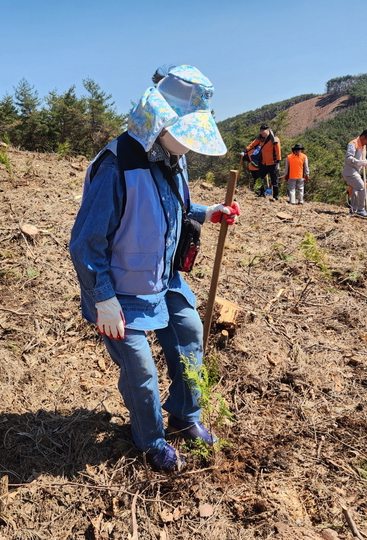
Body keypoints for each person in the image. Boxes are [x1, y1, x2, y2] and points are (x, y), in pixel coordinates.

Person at [69, 65, 240, 473]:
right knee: (141, 369)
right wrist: (103, 299)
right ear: (160, 121)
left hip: (163, 278)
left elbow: (174, 208)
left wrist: (208, 213)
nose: (190, 146)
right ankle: (150, 441)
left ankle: (184, 415)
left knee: (189, 334)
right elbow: (85, 242)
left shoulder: (173, 158)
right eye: (185, 134)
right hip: (119, 290)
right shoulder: (117, 166)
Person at [342, 128, 367, 217]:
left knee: (357, 189)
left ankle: (354, 210)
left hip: (356, 171)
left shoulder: (363, 146)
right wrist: (358, 162)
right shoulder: (353, 144)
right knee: (361, 187)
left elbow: (363, 159)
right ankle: (360, 210)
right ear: (363, 137)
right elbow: (348, 157)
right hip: (350, 170)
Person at [243, 123, 281, 200]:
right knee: (259, 178)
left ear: (268, 130)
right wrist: (245, 151)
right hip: (263, 163)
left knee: (274, 180)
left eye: (263, 131)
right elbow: (252, 144)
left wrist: (278, 162)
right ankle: (260, 193)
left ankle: (275, 197)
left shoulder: (274, 139)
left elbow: (278, 151)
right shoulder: (260, 138)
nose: (262, 133)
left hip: (272, 163)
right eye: (261, 131)